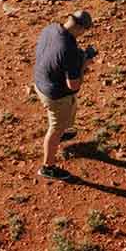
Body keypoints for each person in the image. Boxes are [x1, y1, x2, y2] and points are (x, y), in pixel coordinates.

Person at [33, 9, 95, 181]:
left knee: (69, 109)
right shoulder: (70, 50)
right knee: (55, 128)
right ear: (81, 29)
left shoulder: (51, 28)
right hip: (54, 94)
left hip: (40, 82)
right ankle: (48, 167)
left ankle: (63, 132)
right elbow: (74, 85)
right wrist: (84, 64)